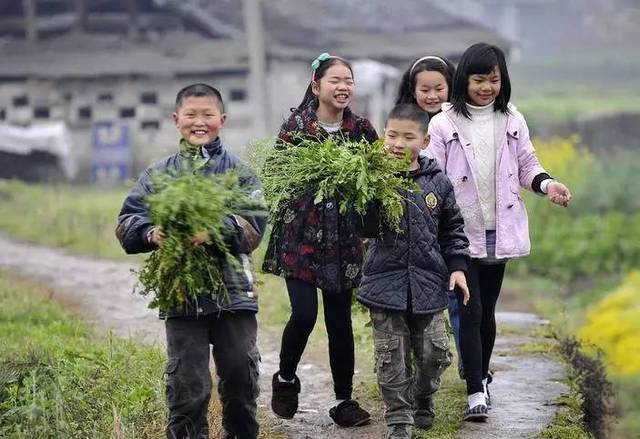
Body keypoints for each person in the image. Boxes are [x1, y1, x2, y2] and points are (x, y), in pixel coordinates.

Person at [427, 43, 572, 421]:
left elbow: (528, 165)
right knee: (470, 310)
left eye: (494, 79)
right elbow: (432, 177)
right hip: (459, 231)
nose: (487, 87)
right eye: (479, 80)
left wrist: (547, 185)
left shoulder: (512, 120)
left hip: (499, 230)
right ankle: (475, 391)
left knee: (486, 313)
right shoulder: (443, 124)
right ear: (464, 81)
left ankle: (480, 377)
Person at [115, 83, 267, 439]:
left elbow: (254, 227)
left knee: (241, 380)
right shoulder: (159, 175)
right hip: (182, 298)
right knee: (187, 387)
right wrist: (152, 233)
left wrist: (212, 231)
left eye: (207, 115)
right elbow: (126, 222)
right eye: (191, 115)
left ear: (222, 120)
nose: (199, 122)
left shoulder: (240, 173)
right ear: (176, 120)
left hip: (234, 296)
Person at [262, 52, 377, 427]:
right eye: (335, 81)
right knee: (305, 314)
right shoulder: (296, 128)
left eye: (349, 81)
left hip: (343, 241)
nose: (343, 87)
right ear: (316, 86)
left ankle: (344, 401)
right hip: (301, 240)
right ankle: (285, 377)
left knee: (340, 322)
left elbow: (376, 183)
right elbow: (275, 176)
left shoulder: (361, 131)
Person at [357, 103, 470, 439]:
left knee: (435, 353)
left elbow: (453, 230)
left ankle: (423, 396)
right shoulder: (373, 178)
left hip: (429, 282)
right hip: (383, 282)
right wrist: (364, 192)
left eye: (408, 136)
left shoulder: (439, 182)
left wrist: (458, 268)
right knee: (392, 357)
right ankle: (399, 418)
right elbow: (363, 227)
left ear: (423, 141)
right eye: (391, 135)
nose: (397, 143)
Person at [395, 54, 464, 376]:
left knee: (458, 299)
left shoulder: (462, 124)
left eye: (440, 88)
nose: (433, 96)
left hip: (453, 222)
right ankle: (409, 372)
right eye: (425, 89)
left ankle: (471, 366)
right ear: (412, 90)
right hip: (412, 232)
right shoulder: (401, 129)